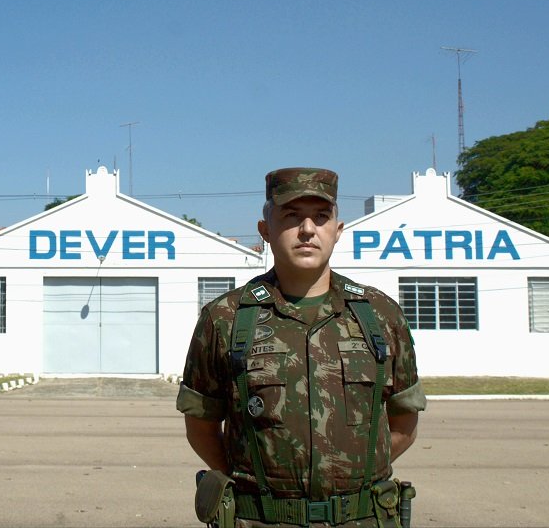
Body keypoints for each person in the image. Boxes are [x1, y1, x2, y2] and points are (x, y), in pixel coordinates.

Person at [177, 168, 426, 528]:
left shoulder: (380, 315)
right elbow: (201, 425)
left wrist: (353, 477)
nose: (307, 229)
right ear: (265, 230)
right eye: (291, 216)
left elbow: (404, 420)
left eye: (321, 217)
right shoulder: (225, 319)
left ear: (337, 231)